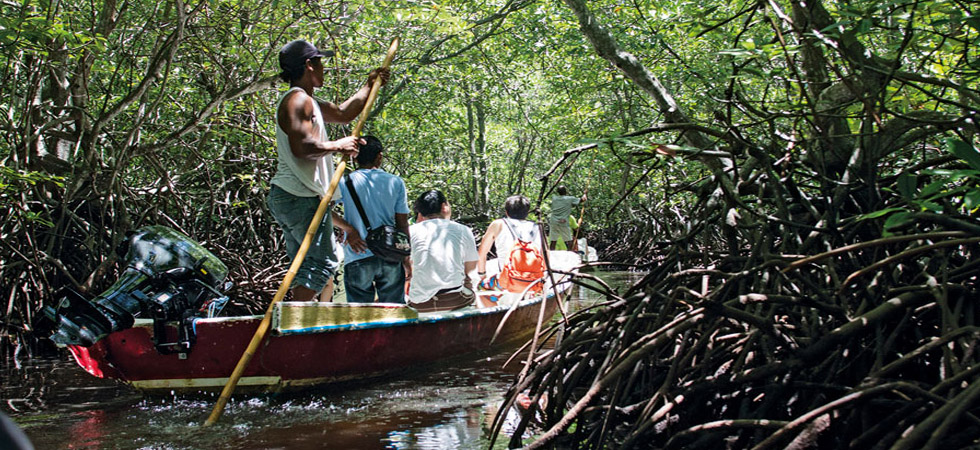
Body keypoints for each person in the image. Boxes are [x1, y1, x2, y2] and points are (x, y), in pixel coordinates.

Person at [266, 39, 389, 302]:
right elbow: (302, 147)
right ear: (309, 65)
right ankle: (293, 320)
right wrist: (338, 145)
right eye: (321, 63)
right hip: (298, 195)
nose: (324, 69)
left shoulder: (307, 100)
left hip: (291, 196)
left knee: (306, 265)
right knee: (324, 262)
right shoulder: (298, 101)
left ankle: (295, 323)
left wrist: (371, 83)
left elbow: (344, 113)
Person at [333, 136, 411, 303]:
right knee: (393, 311)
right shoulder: (395, 182)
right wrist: (406, 257)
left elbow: (322, 209)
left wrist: (349, 229)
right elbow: (402, 224)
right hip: (389, 255)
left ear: (354, 157)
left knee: (360, 315)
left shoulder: (344, 181)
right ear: (379, 156)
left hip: (357, 253)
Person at [407, 190, 479, 312]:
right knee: (470, 286)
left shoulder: (410, 231)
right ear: (444, 206)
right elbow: (471, 269)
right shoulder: (463, 230)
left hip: (420, 303)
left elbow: (407, 267)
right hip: (455, 300)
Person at [476, 195, 543, 287]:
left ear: (506, 212)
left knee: (480, 287)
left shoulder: (498, 224)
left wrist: (482, 275)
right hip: (533, 283)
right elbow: (545, 256)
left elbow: (482, 253)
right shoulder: (537, 227)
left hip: (507, 282)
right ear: (527, 212)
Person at [548, 185, 586, 251]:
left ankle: (551, 255)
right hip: (563, 221)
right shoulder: (569, 199)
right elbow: (582, 200)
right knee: (569, 240)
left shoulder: (554, 198)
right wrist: (584, 194)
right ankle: (570, 254)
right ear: (566, 191)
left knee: (553, 240)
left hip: (553, 221)